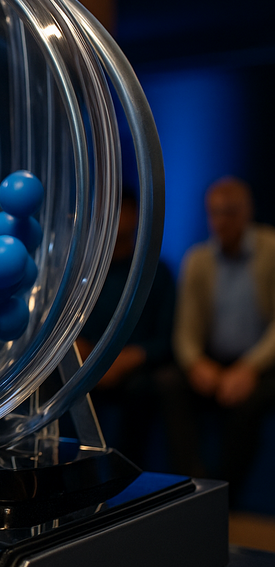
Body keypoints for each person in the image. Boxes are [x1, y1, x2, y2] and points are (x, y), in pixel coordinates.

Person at [170, 176, 275, 505]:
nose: (221, 221)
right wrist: (197, 364)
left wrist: (249, 368)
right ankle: (193, 487)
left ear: (247, 212)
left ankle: (226, 496)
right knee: (168, 384)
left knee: (248, 404)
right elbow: (185, 330)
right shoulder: (198, 259)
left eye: (230, 212)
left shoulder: (270, 250)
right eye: (215, 213)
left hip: (261, 363)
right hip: (215, 361)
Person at [76, 189, 177, 468]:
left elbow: (167, 340)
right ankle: (70, 474)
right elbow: (70, 328)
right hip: (88, 364)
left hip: (135, 369)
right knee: (61, 384)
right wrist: (81, 351)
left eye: (118, 211)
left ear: (135, 218)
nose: (109, 219)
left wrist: (126, 360)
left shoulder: (157, 272)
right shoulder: (84, 272)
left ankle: (128, 477)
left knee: (143, 389)